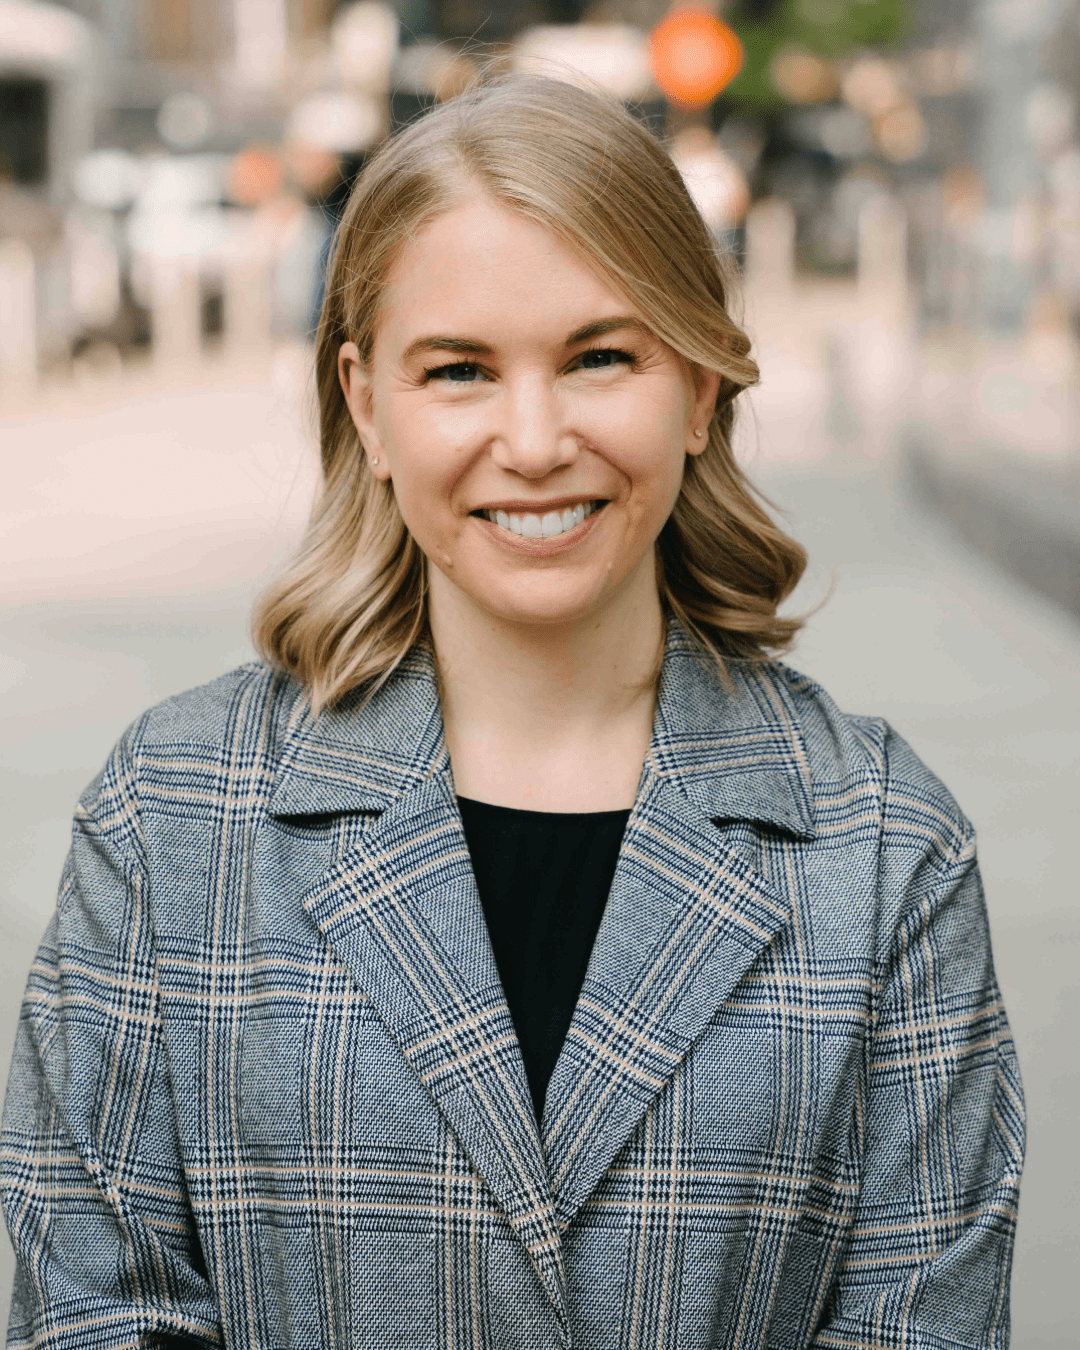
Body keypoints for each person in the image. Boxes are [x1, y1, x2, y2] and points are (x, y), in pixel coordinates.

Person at [1, 76, 1023, 1349]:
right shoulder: (172, 816)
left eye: (601, 356)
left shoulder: (884, 850)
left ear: (700, 388)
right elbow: (94, 1311)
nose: (534, 440)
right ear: (368, 406)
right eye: (460, 371)